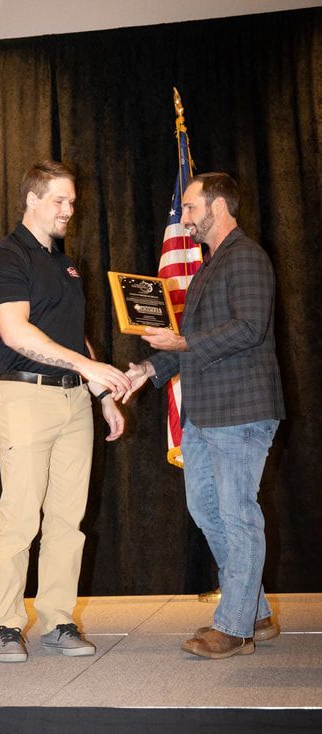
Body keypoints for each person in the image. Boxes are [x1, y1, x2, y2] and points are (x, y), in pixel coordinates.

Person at [123, 172, 285, 659]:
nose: (185, 218)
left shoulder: (247, 256)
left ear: (218, 207)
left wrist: (183, 342)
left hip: (240, 409)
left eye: (191, 208)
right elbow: (187, 347)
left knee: (238, 516)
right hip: (204, 413)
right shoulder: (208, 267)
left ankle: (235, 628)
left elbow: (250, 328)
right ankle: (254, 611)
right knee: (208, 511)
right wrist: (148, 369)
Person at [0, 160, 131, 662]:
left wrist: (101, 394)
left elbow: (71, 336)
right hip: (23, 397)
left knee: (68, 520)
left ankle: (58, 620)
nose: (69, 209)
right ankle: (6, 625)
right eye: (59, 200)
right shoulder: (6, 257)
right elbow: (16, 333)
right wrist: (89, 367)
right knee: (20, 517)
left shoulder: (66, 264)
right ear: (32, 199)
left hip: (73, 401)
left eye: (72, 202)